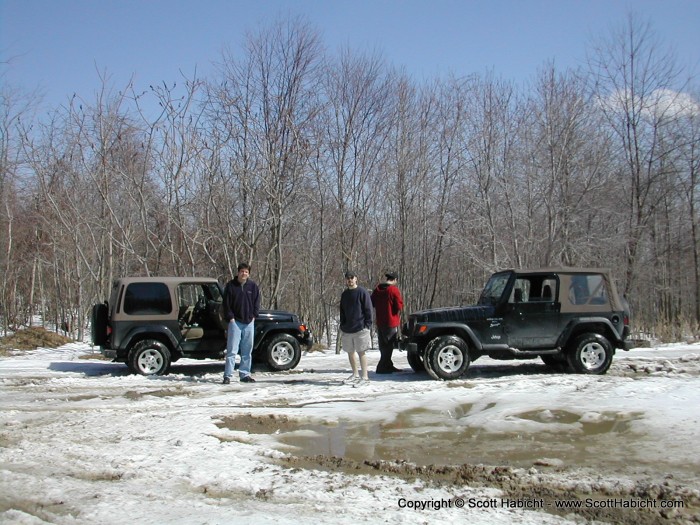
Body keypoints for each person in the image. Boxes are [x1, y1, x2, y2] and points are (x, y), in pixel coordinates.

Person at [222, 262, 261, 384]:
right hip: (235, 323)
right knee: (232, 351)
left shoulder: (253, 286)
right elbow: (226, 304)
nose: (244, 274)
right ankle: (227, 376)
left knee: (247, 351)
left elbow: (257, 302)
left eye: (246, 272)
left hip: (249, 322)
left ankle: (245, 374)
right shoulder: (231, 286)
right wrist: (231, 318)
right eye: (242, 271)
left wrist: (254, 316)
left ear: (248, 274)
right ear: (238, 272)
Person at [339, 271, 373, 384]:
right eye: (347, 278)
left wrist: (367, 324)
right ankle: (355, 374)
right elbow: (342, 311)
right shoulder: (344, 294)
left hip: (361, 328)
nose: (350, 280)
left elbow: (368, 309)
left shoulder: (362, 292)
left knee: (361, 352)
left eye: (352, 277)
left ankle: (365, 377)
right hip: (347, 329)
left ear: (356, 279)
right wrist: (342, 325)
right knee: (350, 352)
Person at [371, 271, 404, 373]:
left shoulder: (377, 290)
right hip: (391, 321)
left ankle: (388, 365)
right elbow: (399, 306)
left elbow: (372, 302)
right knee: (389, 345)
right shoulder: (393, 290)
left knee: (383, 345)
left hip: (380, 321)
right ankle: (382, 367)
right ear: (394, 280)